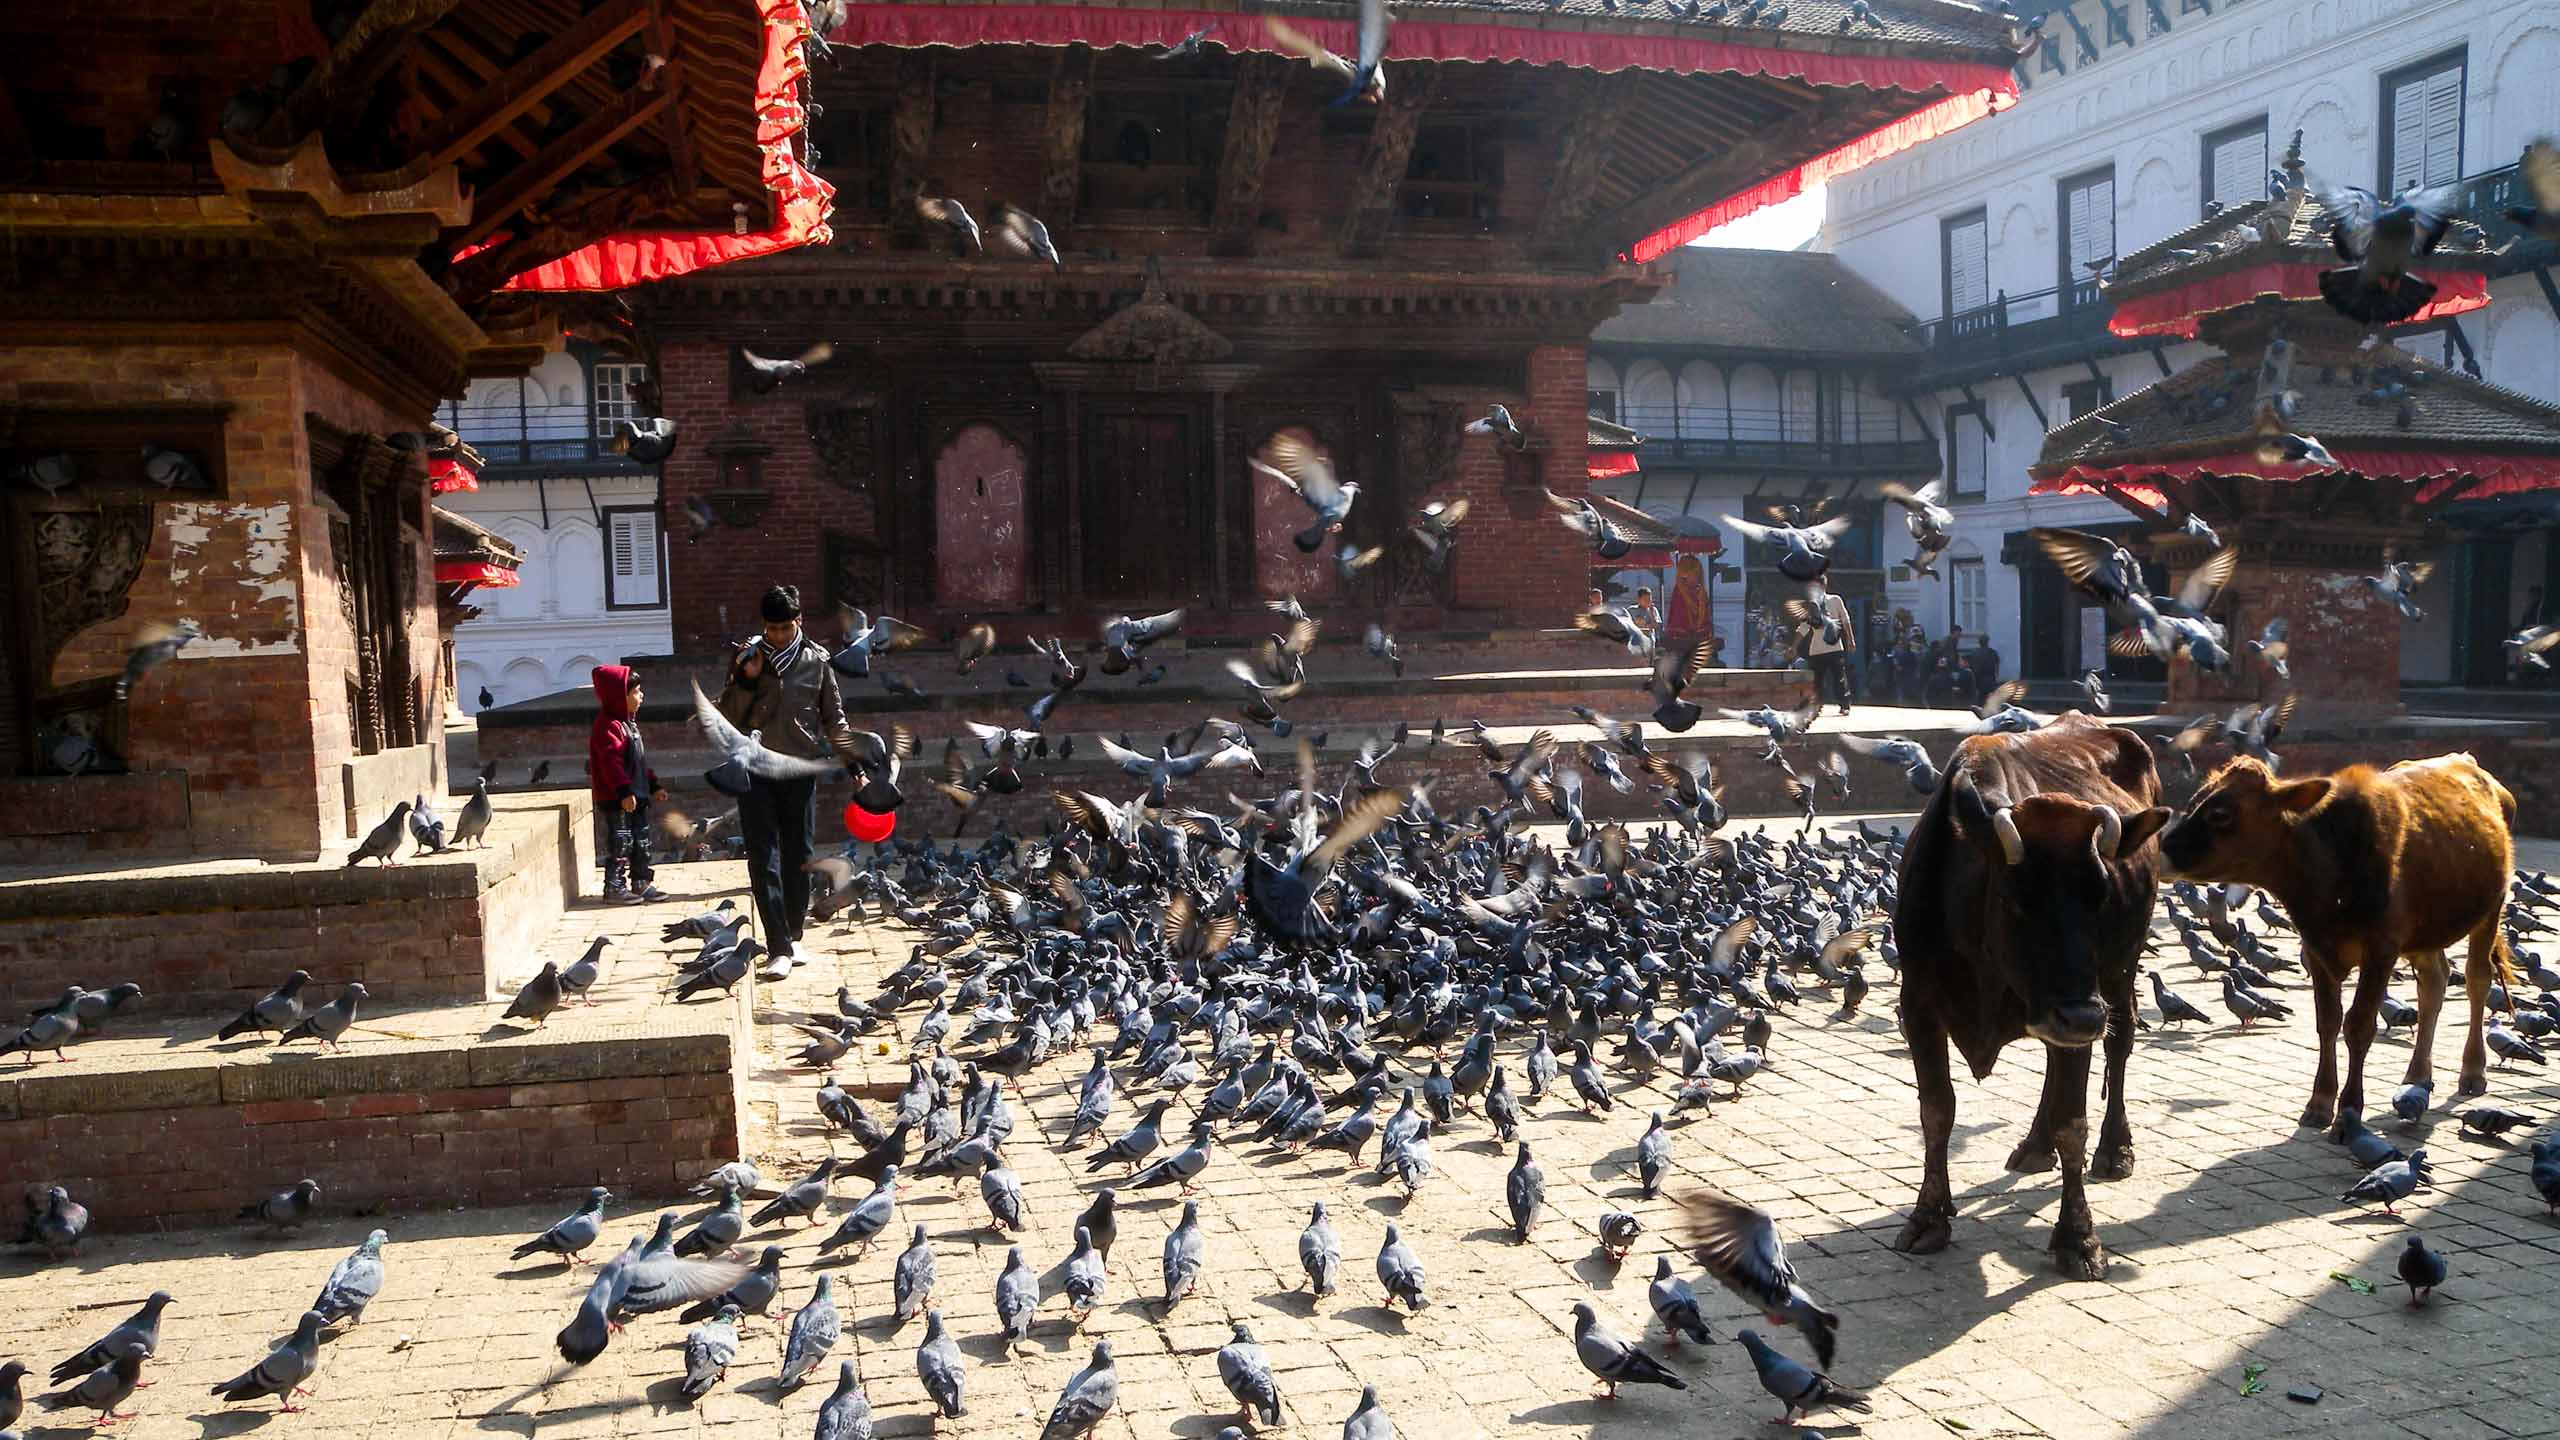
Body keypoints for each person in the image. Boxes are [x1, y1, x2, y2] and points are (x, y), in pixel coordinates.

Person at [718, 584, 861, 980]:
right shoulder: (747, 656)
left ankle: (794, 933)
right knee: (763, 857)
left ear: (798, 622)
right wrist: (746, 680)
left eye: (784, 628)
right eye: (771, 628)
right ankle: (777, 945)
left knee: (800, 854)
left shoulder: (817, 661)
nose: (777, 635)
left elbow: (834, 720)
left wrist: (856, 769)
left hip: (799, 768)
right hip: (756, 768)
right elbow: (727, 715)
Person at [587, 664, 668, 904]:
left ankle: (641, 881)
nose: (641, 696)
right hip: (617, 798)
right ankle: (614, 886)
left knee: (641, 840)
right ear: (618, 696)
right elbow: (611, 764)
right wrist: (623, 790)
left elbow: (639, 763)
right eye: (636, 692)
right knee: (621, 841)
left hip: (637, 795)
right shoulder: (608, 727)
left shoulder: (629, 724)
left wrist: (653, 785)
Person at [1797, 587, 1856, 715]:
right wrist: (1793, 646)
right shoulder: (1811, 604)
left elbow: (1845, 620)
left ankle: (1844, 704)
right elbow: (1804, 627)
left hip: (1834, 647)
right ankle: (1817, 705)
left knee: (1839, 677)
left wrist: (1851, 640)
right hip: (1817, 649)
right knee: (1817, 680)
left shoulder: (1835, 600)